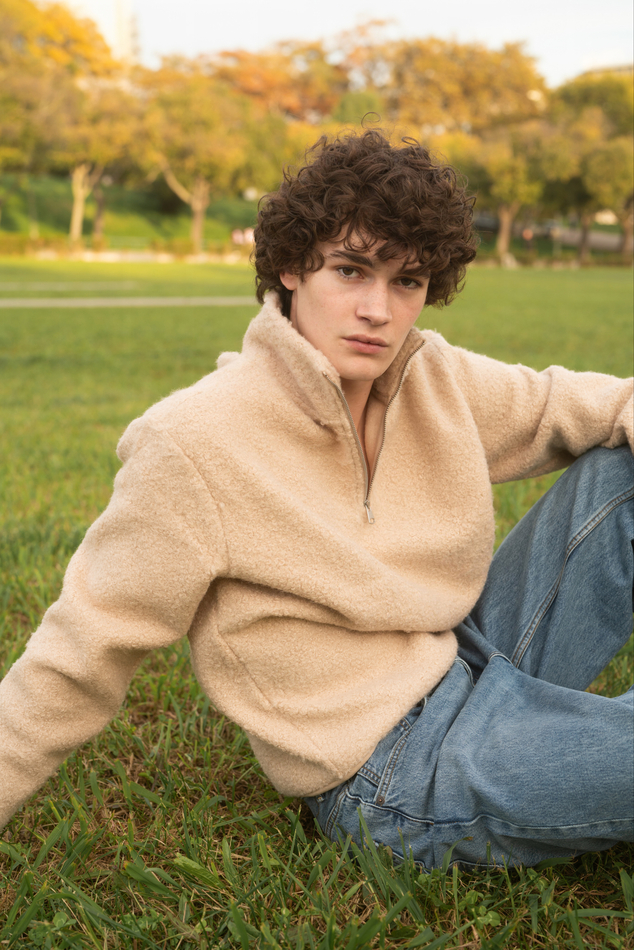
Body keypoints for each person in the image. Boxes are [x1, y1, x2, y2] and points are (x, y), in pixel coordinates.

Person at [0, 130, 632, 869]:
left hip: (467, 661)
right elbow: (80, 649)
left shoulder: (433, 377)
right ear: (292, 267)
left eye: (407, 281)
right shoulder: (194, 442)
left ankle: (549, 729)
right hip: (386, 773)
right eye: (350, 270)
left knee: (621, 474)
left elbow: (578, 404)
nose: (378, 310)